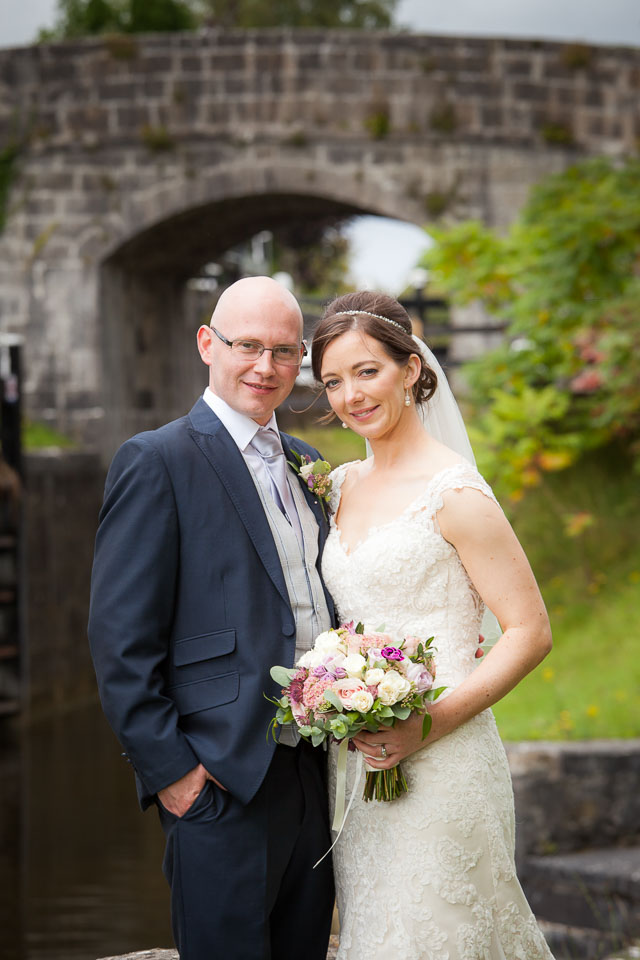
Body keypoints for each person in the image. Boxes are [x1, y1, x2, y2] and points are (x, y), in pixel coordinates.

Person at [88, 276, 335, 960]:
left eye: (284, 351)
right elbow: (119, 639)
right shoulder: (157, 460)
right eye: (247, 346)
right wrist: (175, 775)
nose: (265, 367)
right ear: (207, 343)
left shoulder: (307, 463)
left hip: (315, 773)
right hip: (219, 778)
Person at [311, 291, 555, 960]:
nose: (350, 395)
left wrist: (430, 722)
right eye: (333, 380)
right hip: (360, 763)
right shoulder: (341, 486)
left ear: (412, 370)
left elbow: (529, 631)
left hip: (443, 756)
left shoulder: (455, 493)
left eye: (368, 371)